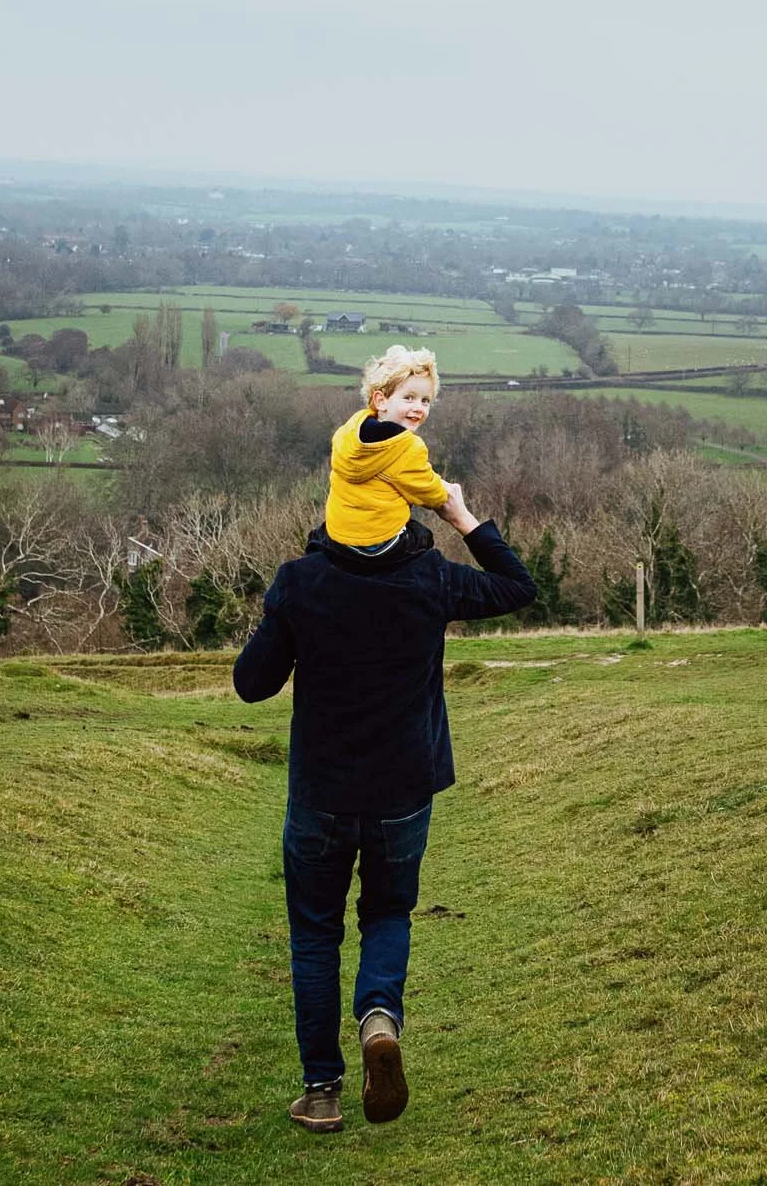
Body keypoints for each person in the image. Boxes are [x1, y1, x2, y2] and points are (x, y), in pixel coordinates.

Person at [232, 475, 536, 1133]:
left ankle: (321, 1093)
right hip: (402, 791)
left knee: (315, 935)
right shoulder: (433, 577)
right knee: (387, 912)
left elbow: (251, 684)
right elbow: (519, 586)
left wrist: (280, 614)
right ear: (399, 513)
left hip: (321, 794)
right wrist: (460, 514)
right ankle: (378, 1019)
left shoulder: (300, 581)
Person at [325, 345, 450, 554]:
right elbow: (431, 494)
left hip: (338, 536)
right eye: (409, 398)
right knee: (423, 538)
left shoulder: (349, 432)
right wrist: (445, 491)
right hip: (378, 543)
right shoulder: (407, 447)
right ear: (381, 400)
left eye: (425, 400)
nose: (418, 407)